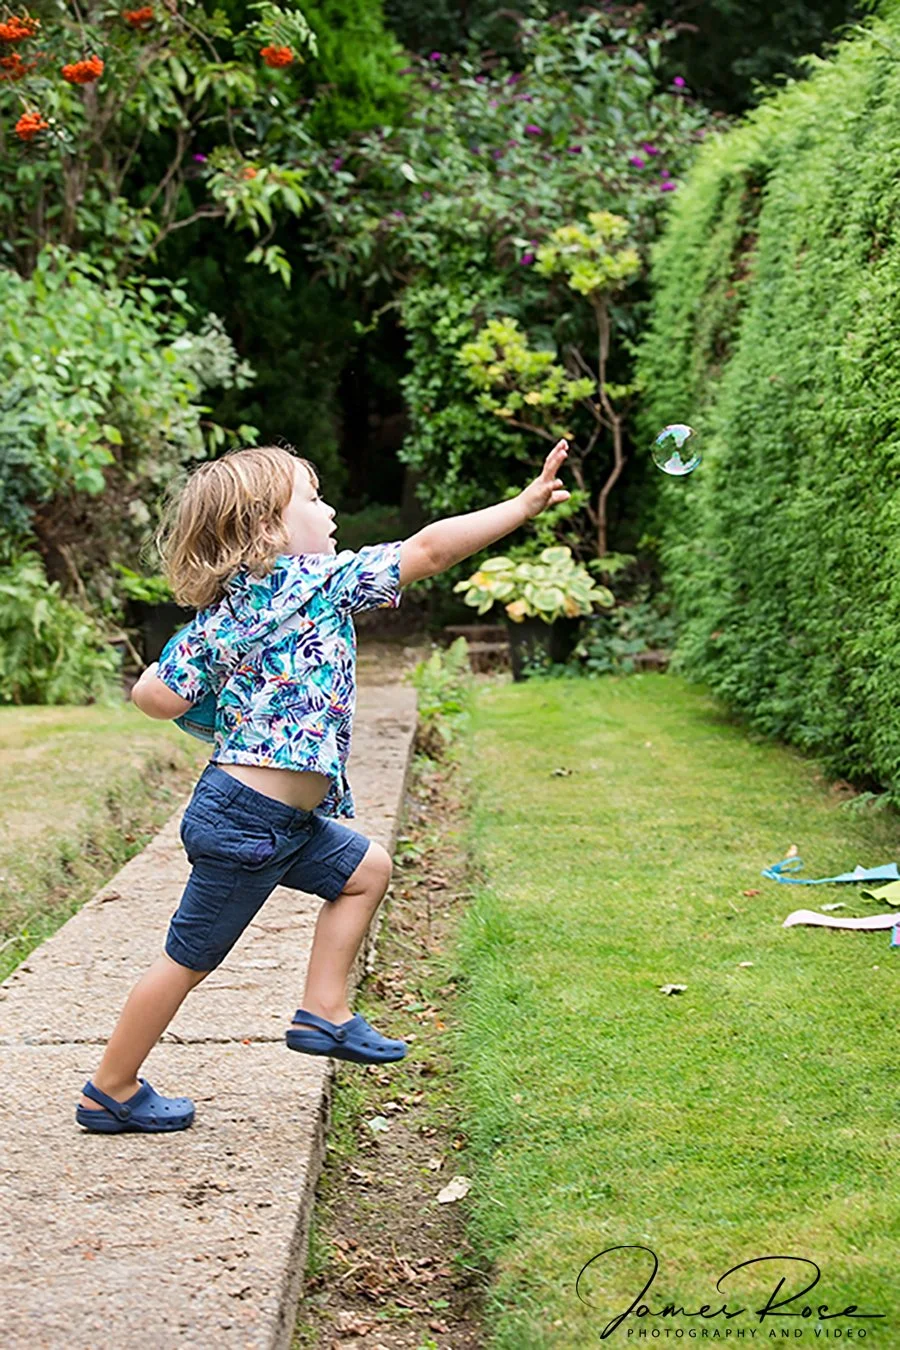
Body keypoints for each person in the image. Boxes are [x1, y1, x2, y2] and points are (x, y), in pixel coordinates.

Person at [76, 438, 570, 1133]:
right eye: (312, 498)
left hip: (262, 818)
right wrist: (520, 507)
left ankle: (324, 1011)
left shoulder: (220, 618)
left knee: (366, 869)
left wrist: (216, 708)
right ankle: (111, 1088)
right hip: (247, 824)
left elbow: (152, 694)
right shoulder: (317, 580)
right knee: (188, 960)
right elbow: (428, 551)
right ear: (265, 528)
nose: (329, 508)